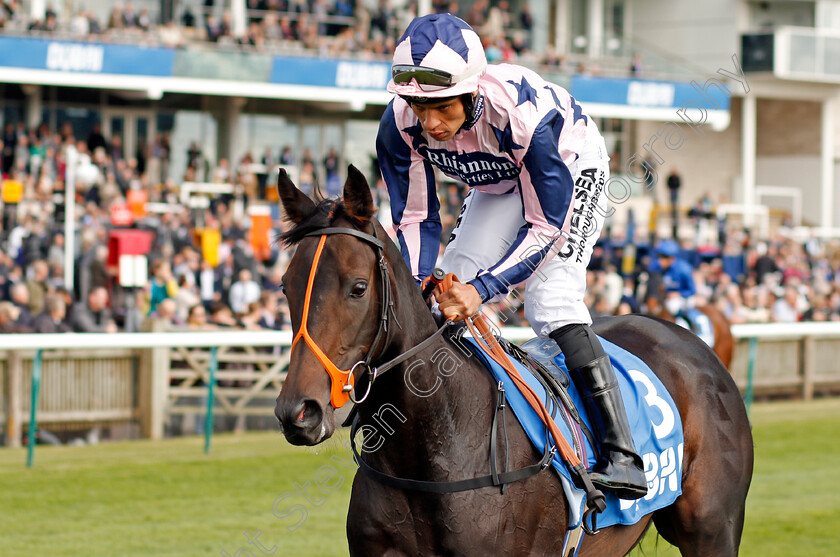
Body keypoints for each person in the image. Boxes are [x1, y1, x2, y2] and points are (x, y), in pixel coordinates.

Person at [376, 14, 645, 499]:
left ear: (471, 90)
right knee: (442, 294)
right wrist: (420, 287)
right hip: (499, 181)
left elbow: (544, 226)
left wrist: (482, 291)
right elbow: (415, 218)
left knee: (551, 301)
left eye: (439, 106)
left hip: (570, 164)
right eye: (417, 105)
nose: (429, 123)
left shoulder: (523, 117)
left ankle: (622, 453)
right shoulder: (399, 126)